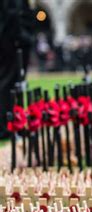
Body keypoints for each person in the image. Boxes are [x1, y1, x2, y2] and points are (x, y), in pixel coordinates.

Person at [0, 0, 34, 140]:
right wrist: (22, 37)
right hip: (11, 42)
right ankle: (5, 127)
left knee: (12, 85)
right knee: (8, 85)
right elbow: (13, 14)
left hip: (11, 39)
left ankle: (12, 123)